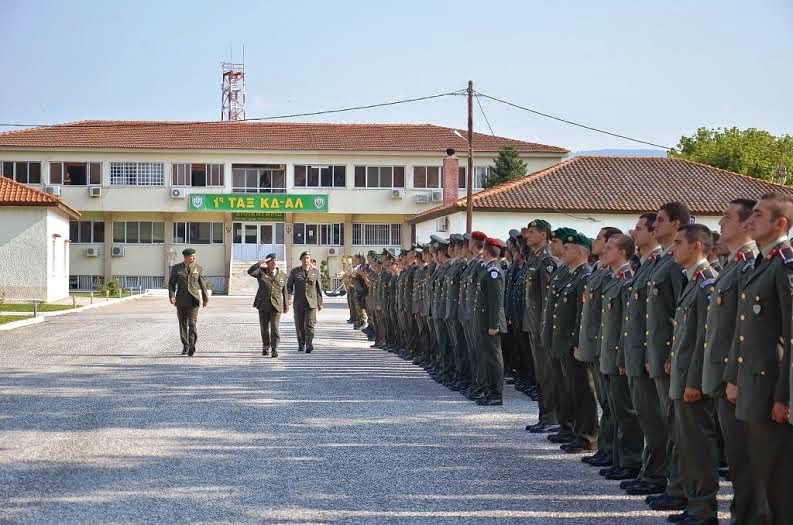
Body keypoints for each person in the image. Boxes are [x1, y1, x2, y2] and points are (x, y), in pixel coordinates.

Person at [726, 193, 793, 524]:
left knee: (778, 478)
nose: (750, 221)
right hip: (752, 383)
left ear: (780, 223)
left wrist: (784, 397)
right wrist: (734, 377)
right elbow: (744, 331)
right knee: (755, 468)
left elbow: (791, 339)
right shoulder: (760, 263)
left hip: (771, 389)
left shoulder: (785, 264)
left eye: (759, 215)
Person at [702, 199, 758, 525]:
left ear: (747, 224)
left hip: (738, 377)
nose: (720, 224)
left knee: (745, 459)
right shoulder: (734, 266)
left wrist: (734, 375)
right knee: (738, 458)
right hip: (724, 374)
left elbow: (746, 330)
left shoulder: (749, 264)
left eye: (727, 218)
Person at [668, 224, 719, 525]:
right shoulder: (693, 281)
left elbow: (704, 339)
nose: (673, 248)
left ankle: (704, 509)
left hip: (693, 381)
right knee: (686, 443)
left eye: (678, 242)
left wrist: (693, 381)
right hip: (683, 376)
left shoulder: (706, 283)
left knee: (698, 445)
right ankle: (693, 503)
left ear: (697, 246)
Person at [168, 248, 209, 356]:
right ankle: (185, 345)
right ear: (186, 257)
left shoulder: (198, 268)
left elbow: (203, 284)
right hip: (181, 300)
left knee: (192, 323)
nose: (194, 257)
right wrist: (172, 295)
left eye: (194, 256)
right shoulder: (177, 268)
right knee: (182, 323)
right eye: (192, 256)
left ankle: (192, 345)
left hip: (193, 300)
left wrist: (205, 299)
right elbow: (171, 284)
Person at [248, 253, 289, 357]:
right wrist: (260, 262)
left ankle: (274, 349)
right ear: (267, 263)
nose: (274, 262)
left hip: (276, 305)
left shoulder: (283, 275)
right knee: (264, 327)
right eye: (272, 260)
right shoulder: (261, 272)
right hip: (263, 304)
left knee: (275, 327)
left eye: (275, 260)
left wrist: (286, 306)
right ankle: (266, 346)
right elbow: (250, 272)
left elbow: (285, 291)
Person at [287, 251, 324, 353]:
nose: (306, 260)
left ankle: (309, 344)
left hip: (311, 302)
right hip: (299, 302)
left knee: (310, 324)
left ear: (310, 260)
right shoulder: (295, 272)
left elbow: (318, 288)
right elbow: (289, 286)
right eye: (304, 258)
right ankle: (301, 344)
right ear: (301, 260)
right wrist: (289, 297)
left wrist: (320, 302)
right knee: (299, 325)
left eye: (308, 258)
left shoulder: (315, 272)